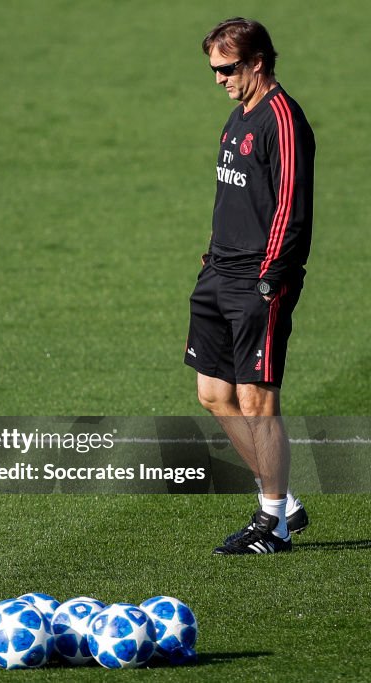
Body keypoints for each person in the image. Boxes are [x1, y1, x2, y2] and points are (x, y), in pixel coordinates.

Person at [185, 17, 316, 554]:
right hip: (220, 272)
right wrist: (213, 257)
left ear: (257, 62)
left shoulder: (282, 121)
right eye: (213, 69)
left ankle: (273, 523)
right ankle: (283, 501)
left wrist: (270, 280)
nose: (218, 78)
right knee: (214, 394)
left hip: (259, 280)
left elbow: (291, 206)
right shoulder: (238, 117)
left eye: (227, 68)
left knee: (257, 400)